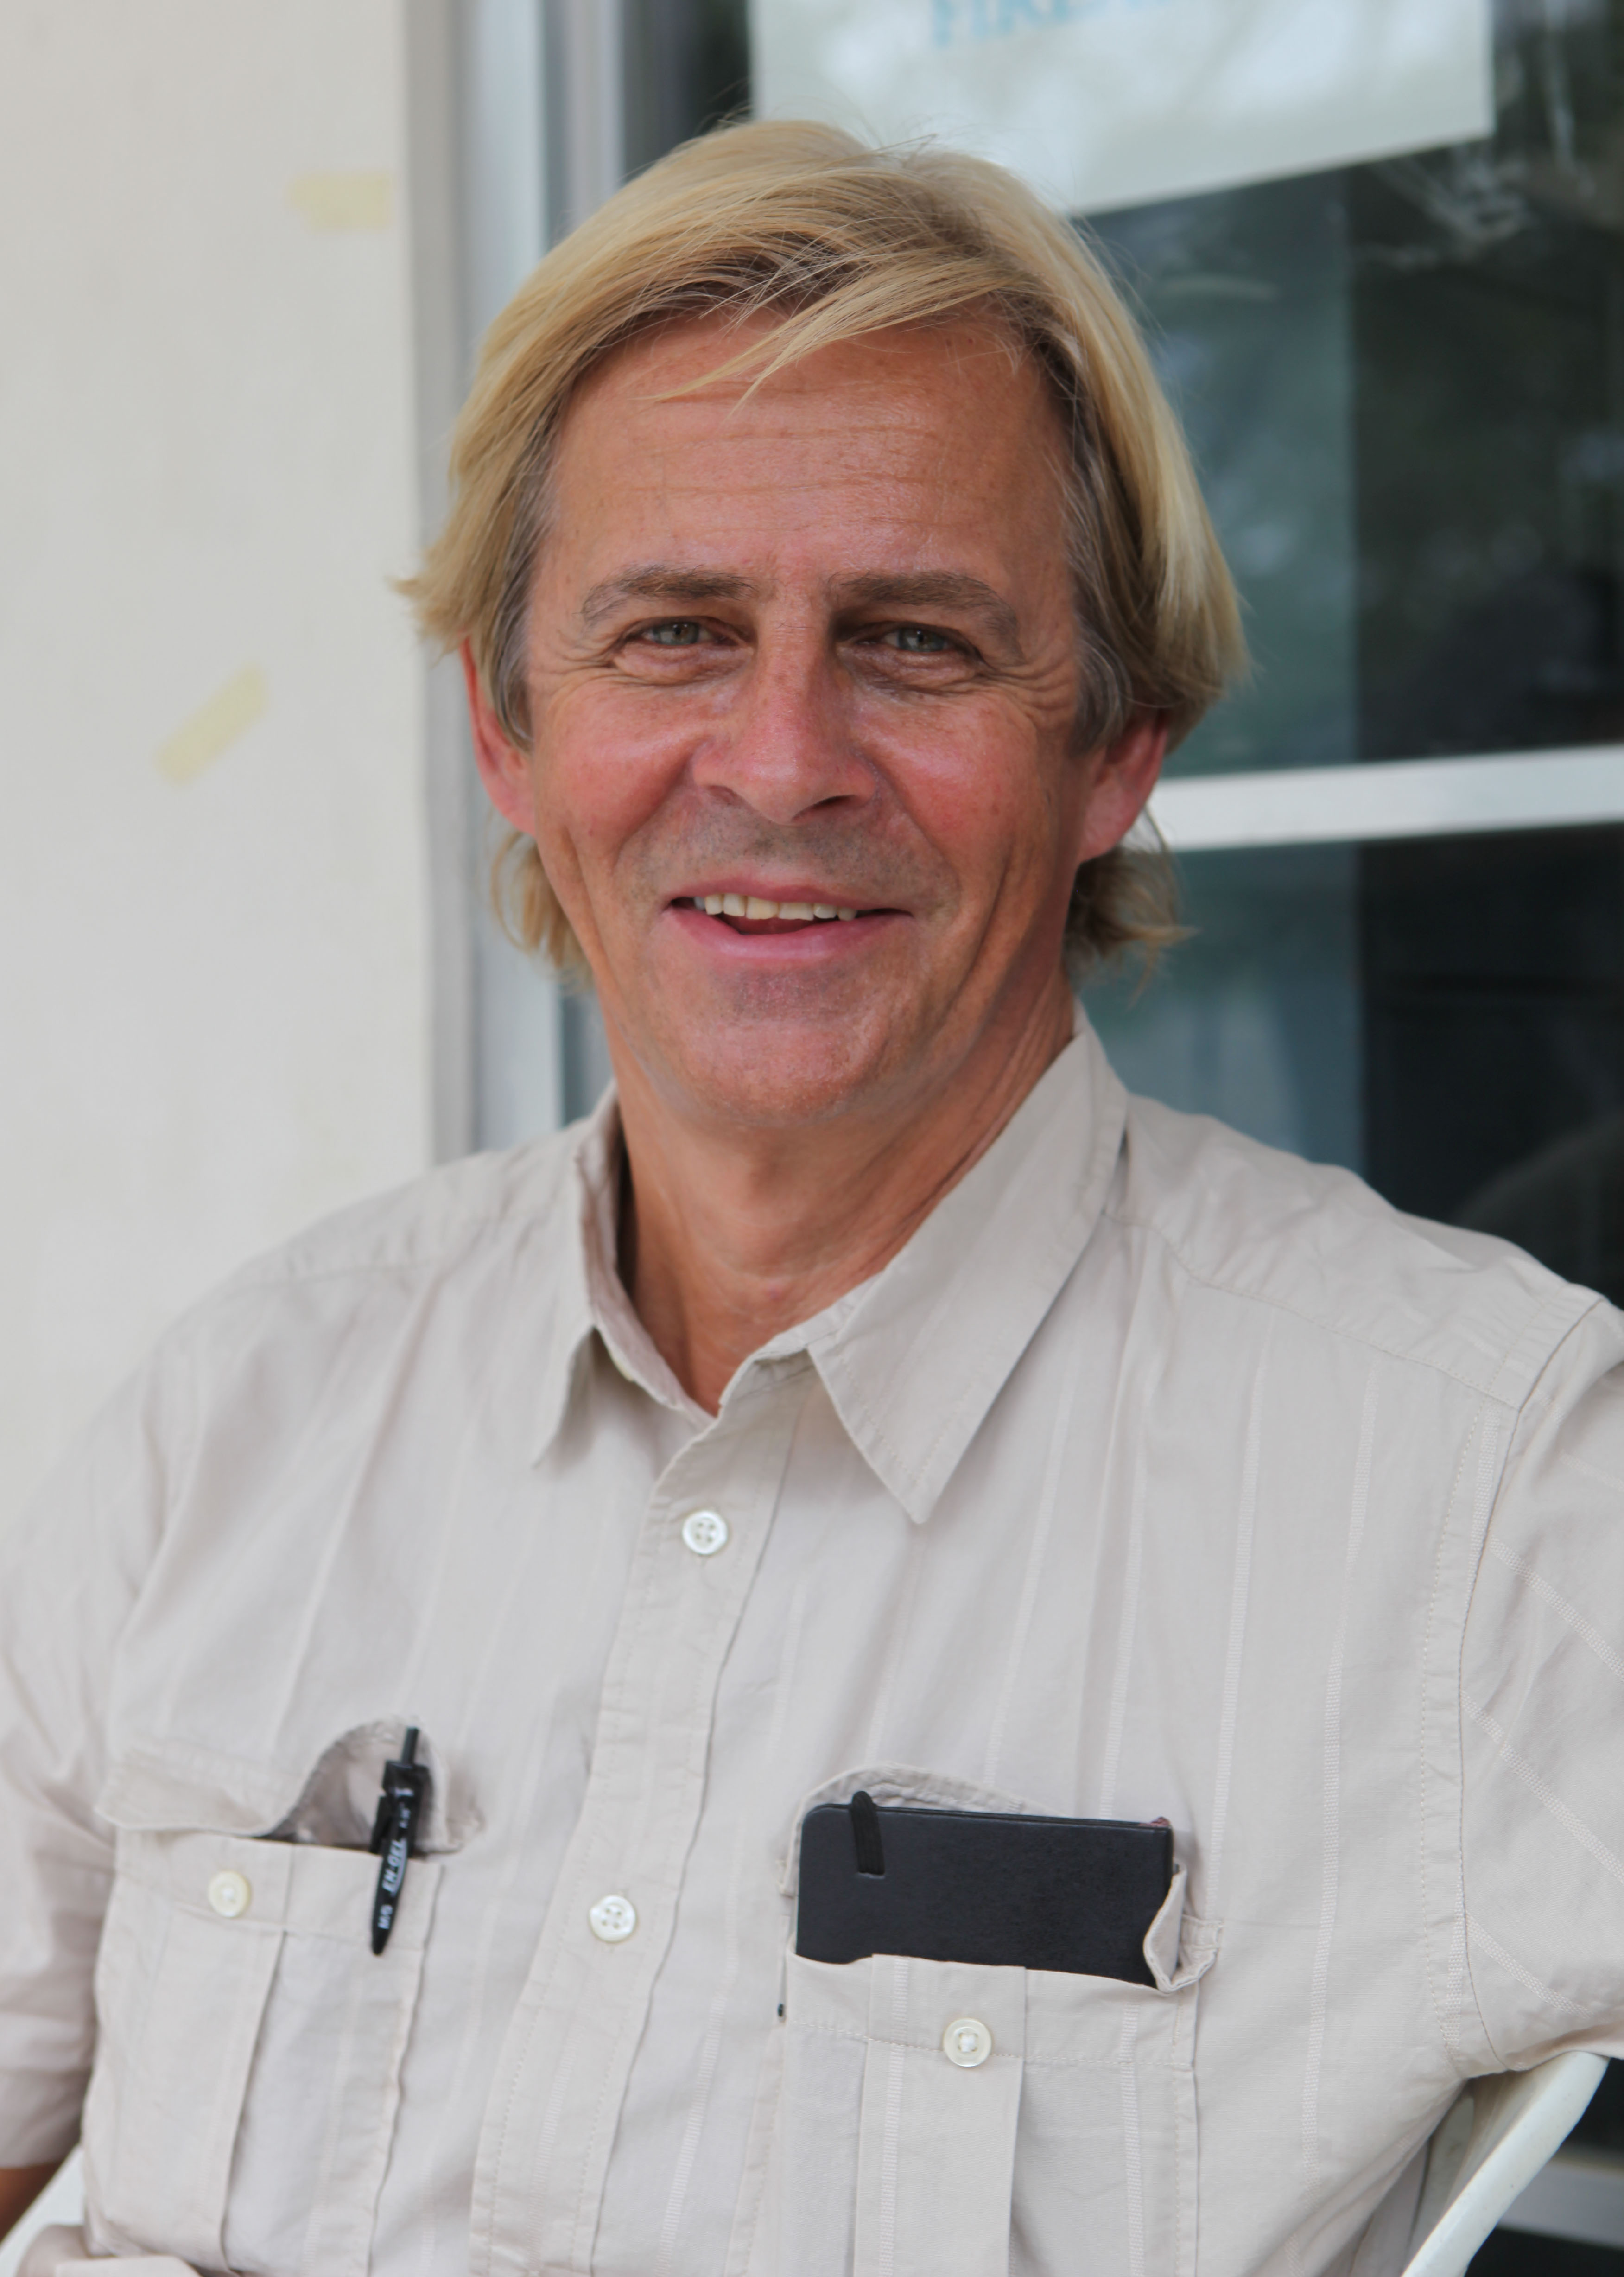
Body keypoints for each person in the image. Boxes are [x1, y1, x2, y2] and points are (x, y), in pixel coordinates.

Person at [2, 118, 1622, 2277]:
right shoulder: (237, 1424)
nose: (779, 761)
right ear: (506, 730)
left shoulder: (1481, 1489)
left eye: (915, 641)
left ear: (1116, 745)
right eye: (675, 632)